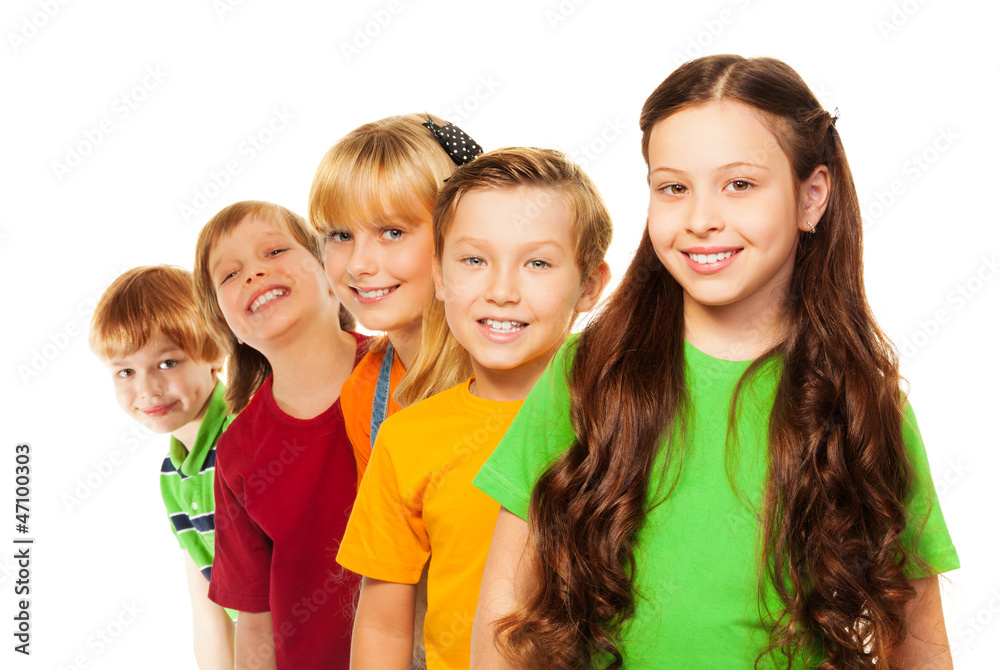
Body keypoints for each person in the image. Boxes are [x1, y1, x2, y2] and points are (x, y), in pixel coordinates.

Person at [472, 55, 959, 669]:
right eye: (673, 188)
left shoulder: (862, 400)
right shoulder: (589, 373)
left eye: (740, 185)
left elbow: (917, 632)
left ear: (813, 197)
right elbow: (505, 602)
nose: (701, 220)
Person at [336, 147, 613, 670]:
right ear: (440, 278)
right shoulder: (406, 438)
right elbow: (381, 625)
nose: (501, 291)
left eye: (537, 263)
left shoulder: (625, 417)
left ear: (591, 285)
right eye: (474, 261)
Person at [193, 200, 362, 669]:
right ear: (231, 327)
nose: (253, 274)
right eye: (229, 275)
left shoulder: (410, 371)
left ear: (331, 272)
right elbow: (254, 619)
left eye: (274, 252)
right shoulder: (236, 453)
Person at [309, 113, 483, 486]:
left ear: (454, 233)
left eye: (391, 232)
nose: (358, 264)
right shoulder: (362, 392)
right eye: (340, 235)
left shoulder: (514, 368)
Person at [89, 265, 234, 669]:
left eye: (168, 363)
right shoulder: (175, 474)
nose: (147, 389)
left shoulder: (244, 439)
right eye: (126, 371)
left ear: (216, 350)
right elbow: (210, 609)